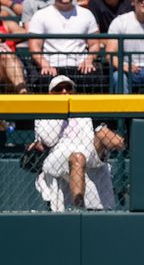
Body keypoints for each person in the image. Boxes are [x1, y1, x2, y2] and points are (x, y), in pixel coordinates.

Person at [30, 75, 125, 210]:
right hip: (60, 154)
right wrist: (60, 111)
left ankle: (132, 151)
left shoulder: (82, 109)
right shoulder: (44, 112)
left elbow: (87, 137)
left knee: (103, 132)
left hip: (87, 150)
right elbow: (49, 140)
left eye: (68, 88)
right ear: (50, 93)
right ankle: (78, 207)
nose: (64, 92)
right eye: (59, 89)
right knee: (78, 157)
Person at [27, 0, 101, 92]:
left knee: (97, 80)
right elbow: (34, 45)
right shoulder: (41, 15)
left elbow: (94, 44)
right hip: (51, 67)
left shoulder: (86, 14)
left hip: (79, 67)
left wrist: (88, 60)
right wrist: (44, 64)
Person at [0, 16, 28, 93]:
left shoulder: (7, 25)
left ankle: (22, 91)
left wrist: (4, 37)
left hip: (8, 69)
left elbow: (23, 32)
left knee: (6, 56)